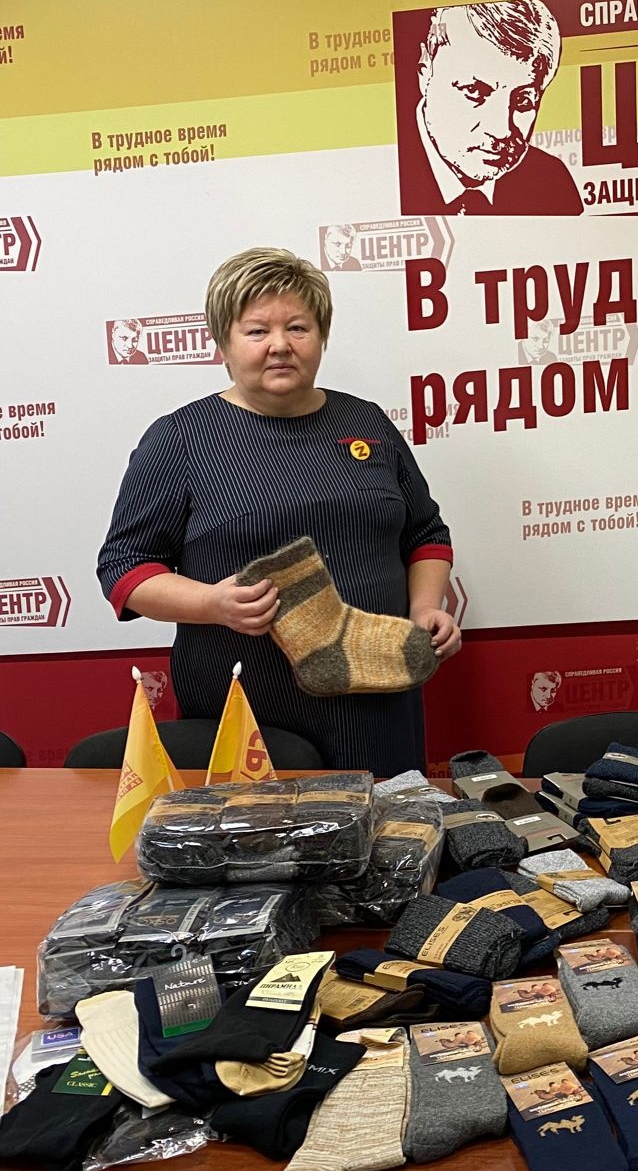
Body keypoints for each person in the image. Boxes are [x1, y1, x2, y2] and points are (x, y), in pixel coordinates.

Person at [96, 248, 460, 775]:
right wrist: (213, 603)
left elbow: (425, 534)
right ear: (222, 343)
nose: (280, 345)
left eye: (298, 327)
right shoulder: (180, 438)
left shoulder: (368, 423)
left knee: (387, 823)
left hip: (378, 697)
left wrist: (426, 608)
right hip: (249, 709)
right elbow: (125, 568)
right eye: (256, 331)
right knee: (261, 830)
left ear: (321, 336)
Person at [399, 0, 583, 216]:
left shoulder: (551, 183)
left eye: (523, 101)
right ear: (425, 72)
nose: (501, 131)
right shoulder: (380, 170)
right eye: (474, 91)